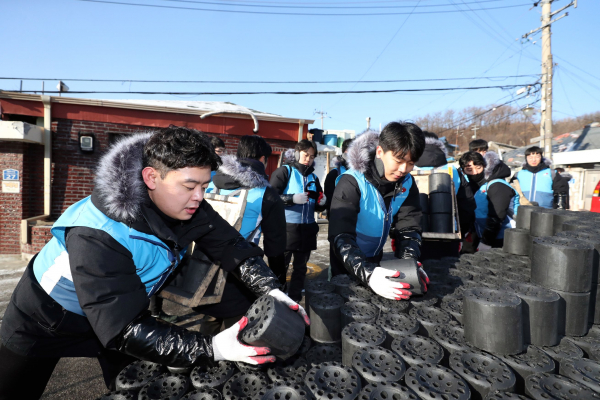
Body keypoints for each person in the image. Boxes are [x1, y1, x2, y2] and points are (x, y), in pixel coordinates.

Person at [0, 127, 308, 399]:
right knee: (15, 390)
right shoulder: (96, 234)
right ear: (151, 177)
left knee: (132, 386)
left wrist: (270, 289)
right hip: (46, 319)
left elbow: (229, 244)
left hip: (124, 307)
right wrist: (213, 347)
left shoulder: (185, 203)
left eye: (205, 185)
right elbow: (123, 328)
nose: (200, 197)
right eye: (190, 186)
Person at [194, 135, 287, 334]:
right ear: (262, 159)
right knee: (238, 332)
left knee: (209, 322)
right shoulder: (266, 194)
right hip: (241, 272)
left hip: (203, 265)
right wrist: (276, 281)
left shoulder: (208, 182)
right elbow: (275, 247)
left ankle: (204, 361)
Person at [328, 122, 428, 301]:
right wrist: (367, 273)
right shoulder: (351, 182)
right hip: (346, 260)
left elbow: (409, 228)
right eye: (398, 161)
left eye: (410, 163)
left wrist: (409, 264)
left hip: (376, 257)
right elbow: (340, 236)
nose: (403, 169)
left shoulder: (407, 183)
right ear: (380, 152)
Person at [270, 140, 327, 301]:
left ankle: (294, 299)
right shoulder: (284, 172)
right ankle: (278, 298)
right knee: (281, 267)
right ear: (297, 153)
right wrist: (291, 198)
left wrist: (321, 203)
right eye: (305, 154)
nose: (308, 159)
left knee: (300, 268)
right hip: (286, 228)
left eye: (312, 156)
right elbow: (269, 197)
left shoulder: (314, 178)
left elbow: (317, 202)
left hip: (307, 229)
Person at [415, 131, 476, 258]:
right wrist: (461, 231)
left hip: (413, 235)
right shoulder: (453, 171)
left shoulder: (407, 169)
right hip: (448, 233)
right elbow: (467, 205)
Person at [460, 151, 519, 250]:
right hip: (483, 235)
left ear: (484, 166)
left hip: (505, 238)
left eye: (478, 168)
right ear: (464, 171)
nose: (475, 172)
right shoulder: (475, 187)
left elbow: (497, 215)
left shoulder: (496, 185)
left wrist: (486, 242)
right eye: (469, 170)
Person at [323, 138, 353, 277]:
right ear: (346, 152)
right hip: (338, 222)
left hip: (358, 224)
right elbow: (329, 200)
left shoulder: (364, 173)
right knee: (337, 258)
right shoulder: (334, 174)